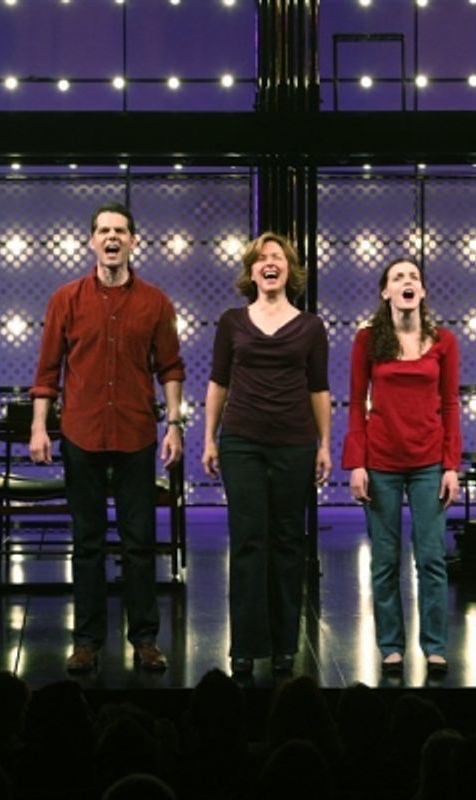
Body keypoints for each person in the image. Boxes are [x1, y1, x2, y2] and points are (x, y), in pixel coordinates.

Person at [30, 201, 185, 674]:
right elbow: (48, 370)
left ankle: (145, 640)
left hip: (137, 432)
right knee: (88, 544)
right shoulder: (66, 299)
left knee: (139, 543)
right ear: (92, 241)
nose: (112, 237)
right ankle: (87, 642)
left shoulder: (155, 302)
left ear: (133, 241)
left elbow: (170, 368)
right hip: (82, 433)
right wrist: (39, 427)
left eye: (120, 231)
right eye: (104, 230)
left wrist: (174, 423)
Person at [201, 232, 331, 677]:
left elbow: (319, 388)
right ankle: (245, 646)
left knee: (288, 542)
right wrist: (209, 438)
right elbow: (218, 382)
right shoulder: (231, 322)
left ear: (289, 270)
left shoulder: (311, 326)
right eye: (261, 258)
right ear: (252, 271)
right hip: (242, 442)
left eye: (277, 257)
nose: (269, 263)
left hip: (294, 443)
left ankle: (283, 646)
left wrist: (325, 444)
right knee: (248, 540)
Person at [341, 258, 460, 676]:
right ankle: (391, 646)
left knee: (431, 559)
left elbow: (450, 404)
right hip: (381, 463)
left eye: (413, 277)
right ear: (385, 292)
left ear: (422, 292)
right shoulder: (367, 340)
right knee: (385, 561)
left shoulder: (443, 341)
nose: (406, 282)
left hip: (429, 463)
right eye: (398, 277)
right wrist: (356, 463)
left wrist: (451, 465)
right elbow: (356, 402)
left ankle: (435, 647)